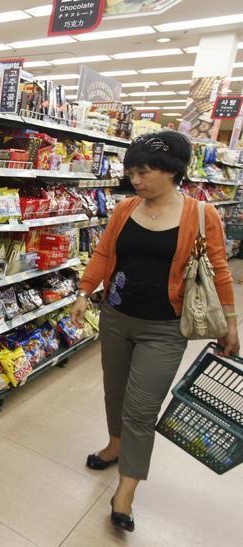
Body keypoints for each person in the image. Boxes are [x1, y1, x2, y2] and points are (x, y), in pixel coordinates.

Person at [71, 130, 239, 532]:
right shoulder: (126, 208)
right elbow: (104, 253)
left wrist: (231, 322)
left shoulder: (201, 214)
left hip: (165, 328)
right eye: (132, 171)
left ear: (172, 172)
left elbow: (217, 269)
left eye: (144, 171)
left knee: (142, 410)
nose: (135, 179)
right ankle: (115, 444)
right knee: (115, 389)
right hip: (116, 316)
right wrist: (84, 291)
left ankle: (125, 492)